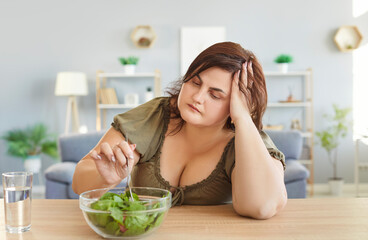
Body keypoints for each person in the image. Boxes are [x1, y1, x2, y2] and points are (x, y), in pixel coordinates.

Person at [72, 41, 287, 219]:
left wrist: (242, 118)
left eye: (215, 95)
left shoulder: (248, 140)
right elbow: (79, 181)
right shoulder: (154, 116)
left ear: (237, 104)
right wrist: (106, 179)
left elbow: (261, 207)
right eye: (195, 82)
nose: (198, 97)